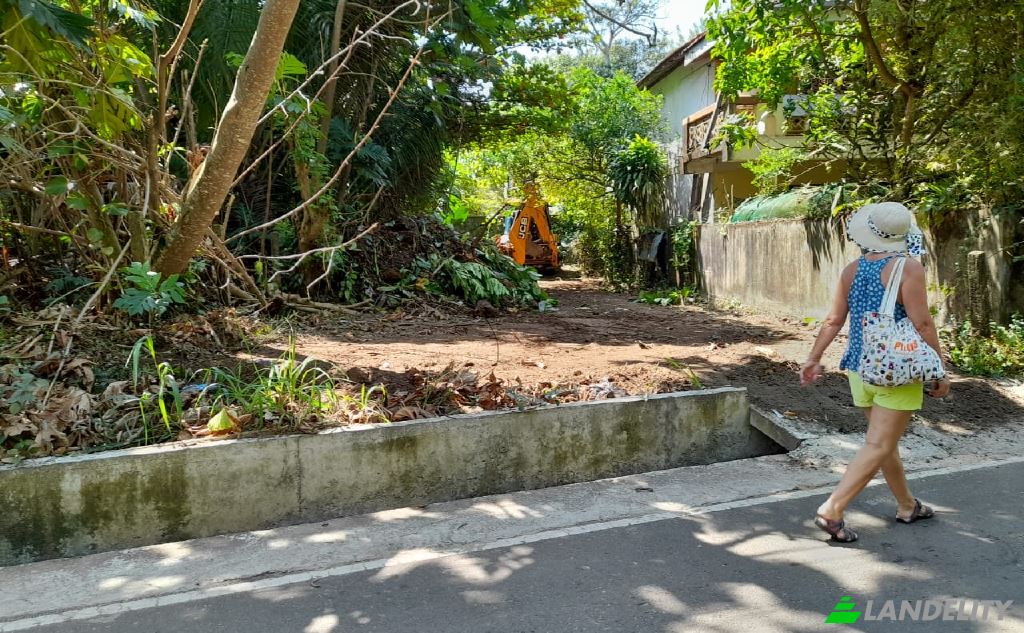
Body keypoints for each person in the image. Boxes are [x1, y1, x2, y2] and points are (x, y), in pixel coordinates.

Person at [800, 202, 952, 543]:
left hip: (858, 367)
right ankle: (832, 509)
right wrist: (938, 366)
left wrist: (813, 357)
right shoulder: (908, 267)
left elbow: (833, 320)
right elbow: (923, 322)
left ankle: (906, 505)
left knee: (884, 444)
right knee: (880, 442)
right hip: (895, 369)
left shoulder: (851, 269)